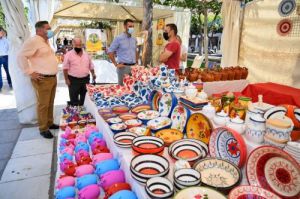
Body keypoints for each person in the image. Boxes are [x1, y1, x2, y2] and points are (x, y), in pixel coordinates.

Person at [18, 21, 59, 139]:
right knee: (43, 105)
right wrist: (30, 72)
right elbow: (20, 56)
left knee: (50, 103)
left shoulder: (45, 41)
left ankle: (50, 123)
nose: (50, 30)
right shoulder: (33, 41)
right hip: (42, 79)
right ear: (40, 30)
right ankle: (43, 128)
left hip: (51, 78)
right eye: (48, 28)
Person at [63, 38, 96, 106]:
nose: (78, 47)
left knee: (85, 98)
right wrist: (66, 79)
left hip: (85, 79)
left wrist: (93, 74)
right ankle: (75, 114)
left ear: (82, 45)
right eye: (76, 45)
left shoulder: (86, 54)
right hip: (73, 80)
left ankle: (84, 114)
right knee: (74, 99)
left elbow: (91, 65)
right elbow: (65, 68)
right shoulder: (68, 55)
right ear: (73, 45)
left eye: (79, 45)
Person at [108, 19, 138, 85]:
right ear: (124, 26)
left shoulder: (134, 39)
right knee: (123, 89)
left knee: (134, 88)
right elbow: (110, 51)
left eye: (133, 26)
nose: (132, 28)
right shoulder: (118, 38)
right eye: (130, 26)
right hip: (123, 67)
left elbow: (135, 51)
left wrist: (136, 62)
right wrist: (116, 64)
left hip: (134, 68)